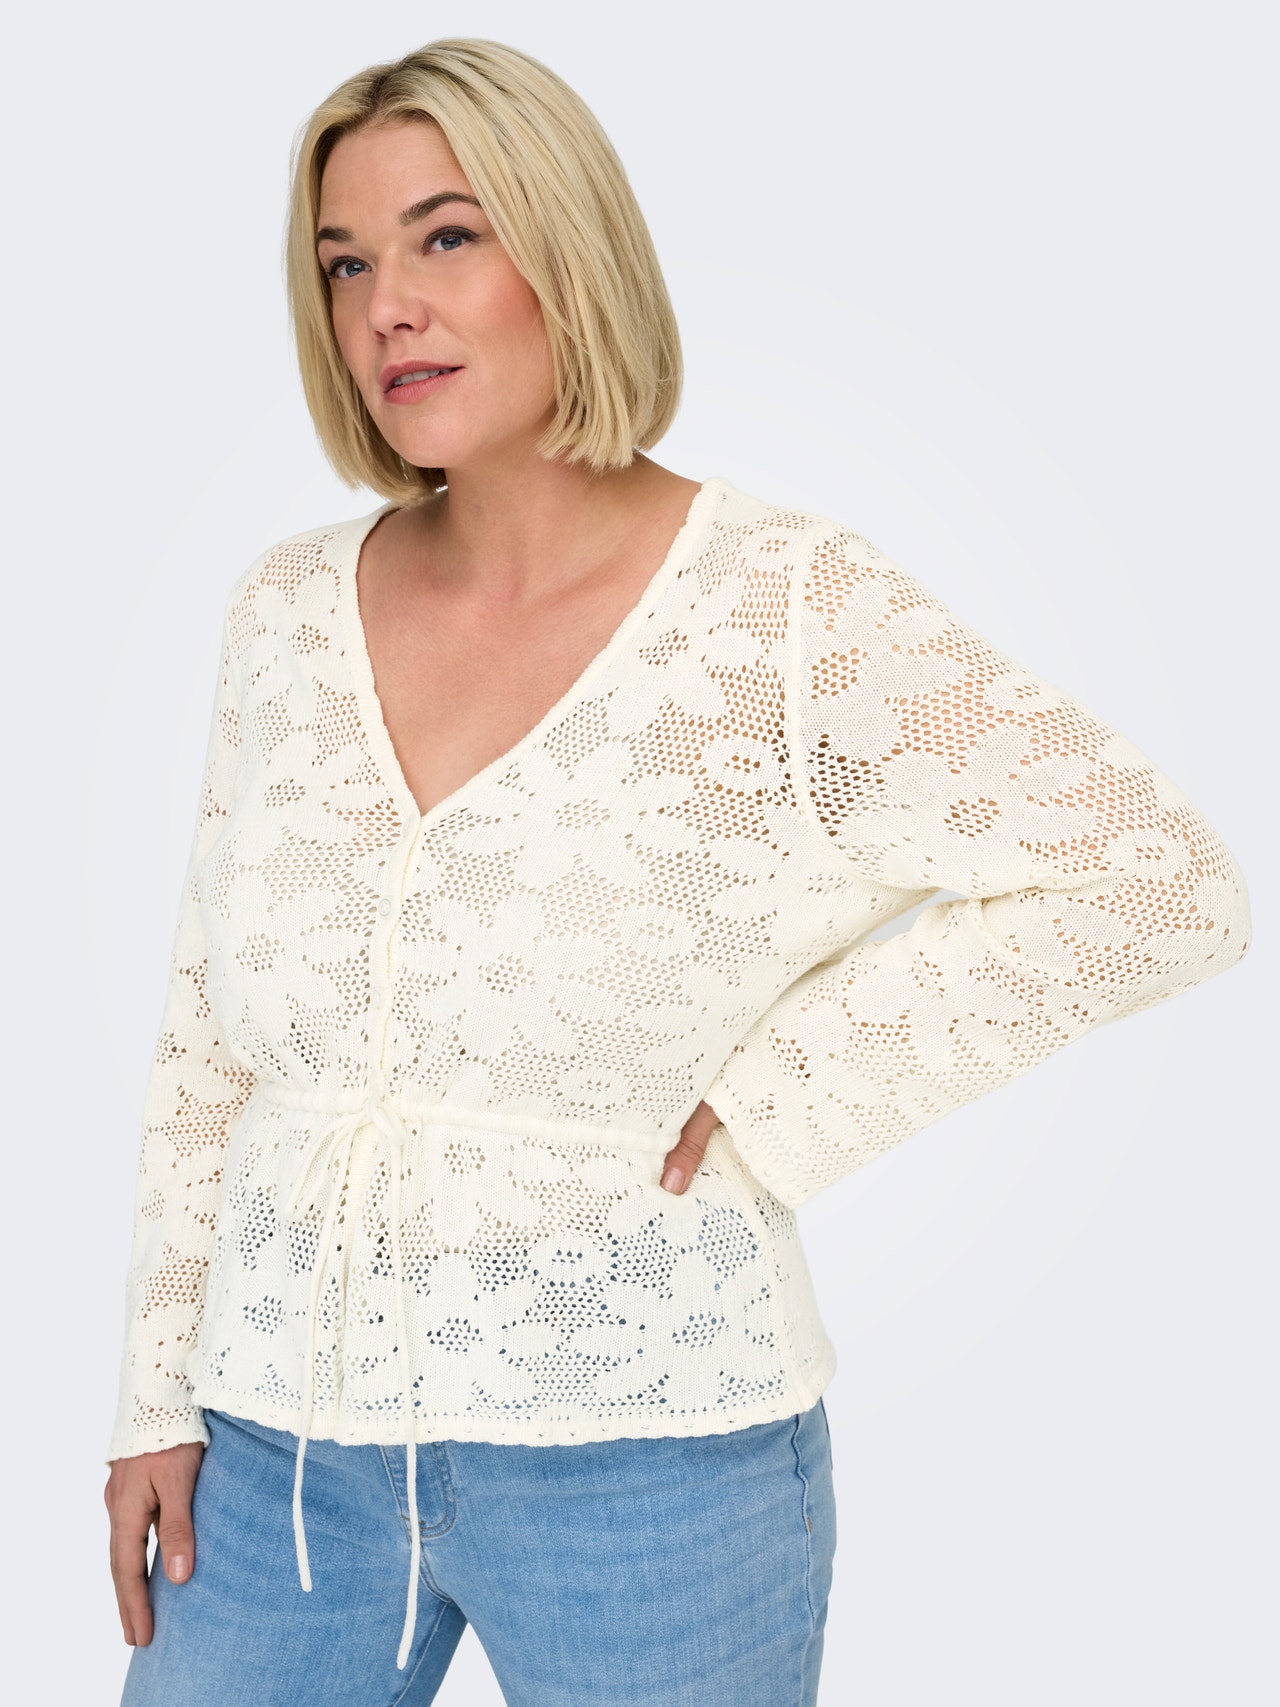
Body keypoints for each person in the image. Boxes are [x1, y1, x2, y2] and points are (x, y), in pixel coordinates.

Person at [103, 36, 1250, 1707]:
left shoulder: (785, 615)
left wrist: (790, 1091)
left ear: (569, 252)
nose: (387, 308)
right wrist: (156, 1395)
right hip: (279, 1454)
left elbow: (1155, 881)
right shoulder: (285, 610)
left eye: (446, 237)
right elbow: (213, 1029)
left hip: (646, 1466)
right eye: (344, 265)